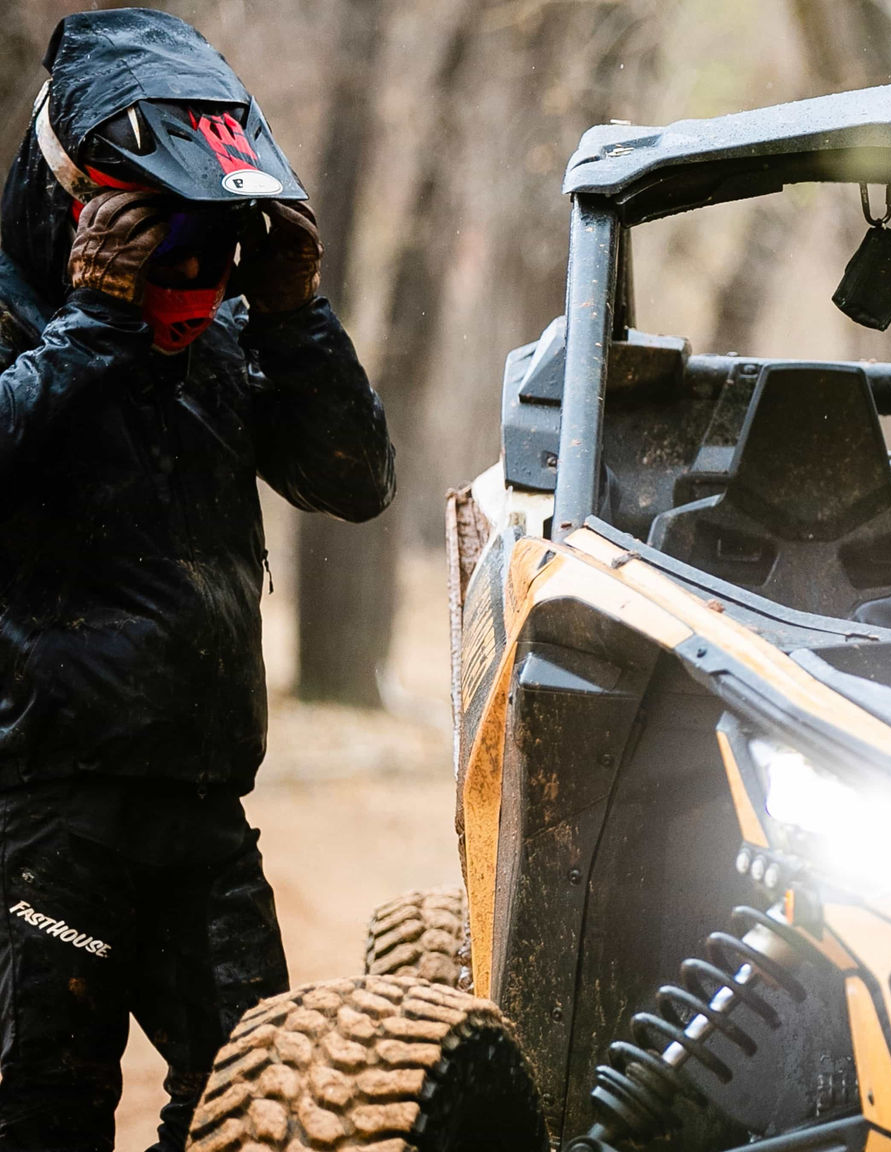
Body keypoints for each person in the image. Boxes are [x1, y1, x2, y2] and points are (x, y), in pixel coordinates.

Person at [0, 10, 395, 1150]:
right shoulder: (33, 324)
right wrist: (93, 325)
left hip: (202, 805)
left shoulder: (221, 331)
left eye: (205, 247)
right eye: (161, 244)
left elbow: (354, 482)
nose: (187, 278)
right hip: (47, 807)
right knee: (42, 1109)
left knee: (263, 1094)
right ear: (79, 206)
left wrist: (292, 308)